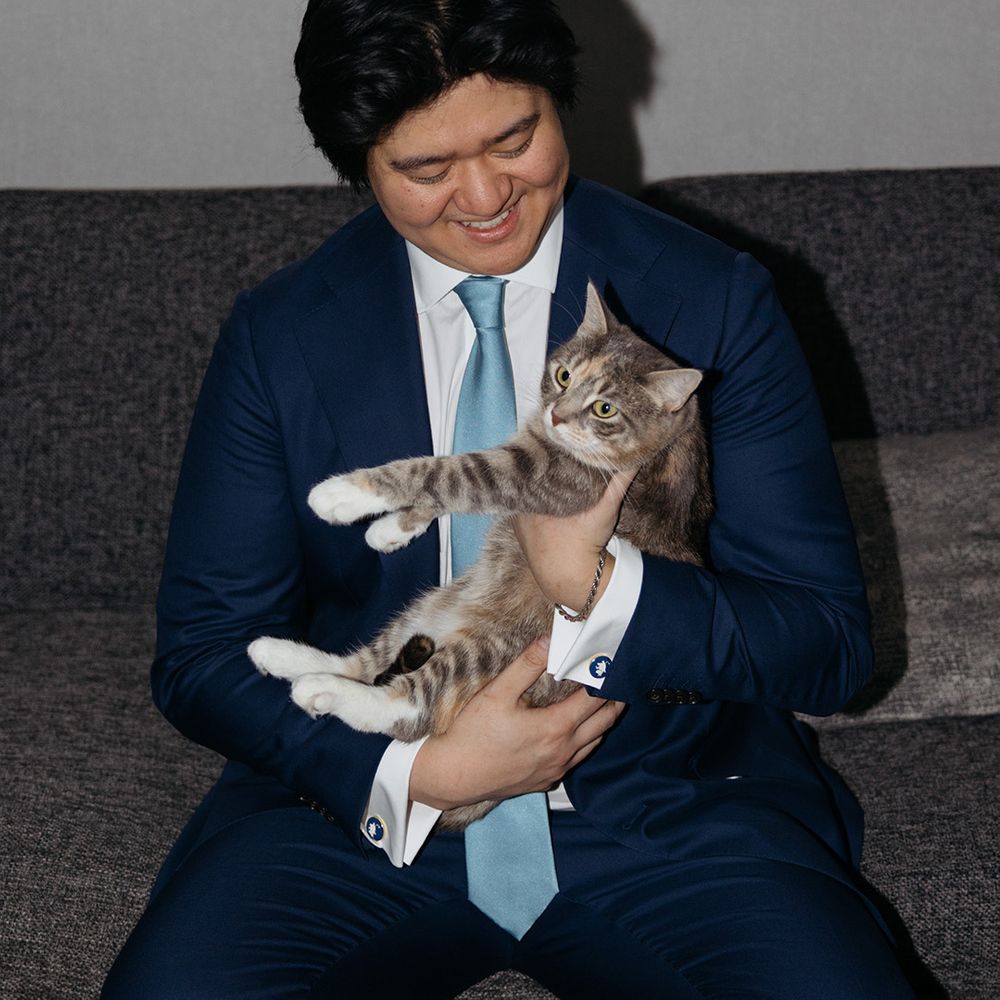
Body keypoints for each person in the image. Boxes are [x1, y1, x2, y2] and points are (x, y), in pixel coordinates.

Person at [103, 1, 917, 996]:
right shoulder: (278, 336)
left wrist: (602, 582)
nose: (486, 196)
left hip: (670, 811)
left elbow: (828, 645)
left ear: (557, 102)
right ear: (359, 160)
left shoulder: (713, 300)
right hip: (358, 820)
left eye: (514, 139)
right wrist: (415, 776)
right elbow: (201, 651)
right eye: (425, 169)